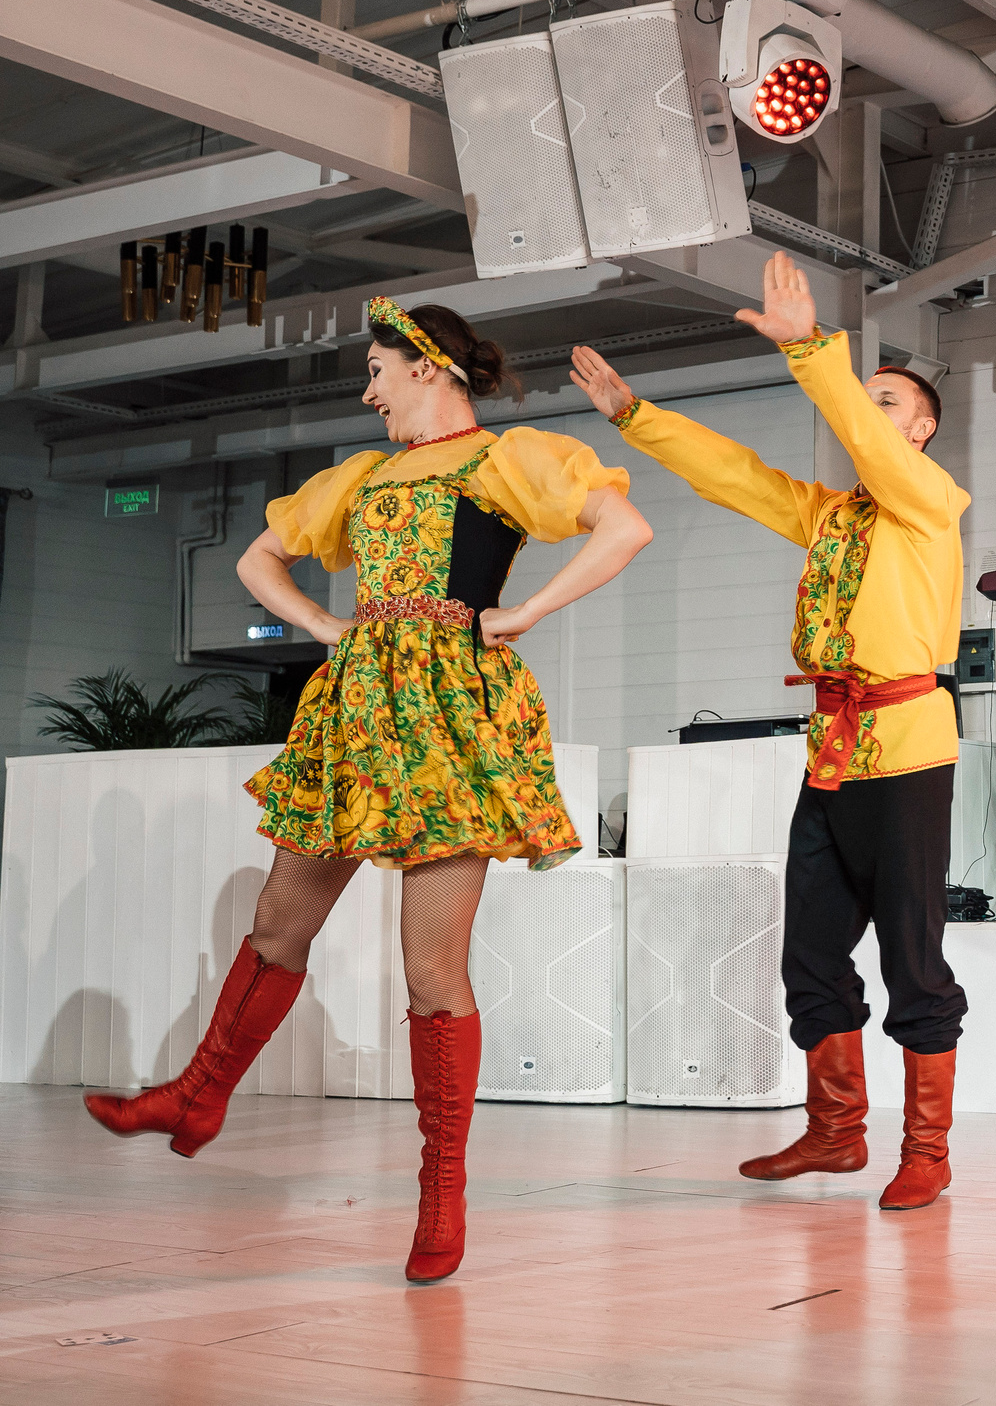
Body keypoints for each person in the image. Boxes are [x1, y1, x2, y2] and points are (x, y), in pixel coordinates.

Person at [85, 297, 653, 1285]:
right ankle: (197, 1096)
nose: (369, 388)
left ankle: (443, 1191)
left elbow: (624, 526)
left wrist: (523, 611)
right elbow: (260, 557)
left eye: (378, 369)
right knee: (275, 926)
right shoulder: (363, 476)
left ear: (427, 368)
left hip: (446, 713)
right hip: (357, 705)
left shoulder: (507, 461)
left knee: (431, 969)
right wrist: (320, 624)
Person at [569, 253, 969, 1211]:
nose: (870, 413)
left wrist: (814, 351)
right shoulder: (834, 517)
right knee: (810, 954)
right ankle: (835, 1133)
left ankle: (928, 1149)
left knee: (913, 954)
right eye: (862, 397)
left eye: (887, 402)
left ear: (918, 428)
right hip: (832, 753)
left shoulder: (928, 502)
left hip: (907, 746)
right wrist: (637, 418)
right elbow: (736, 478)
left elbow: (871, 451)